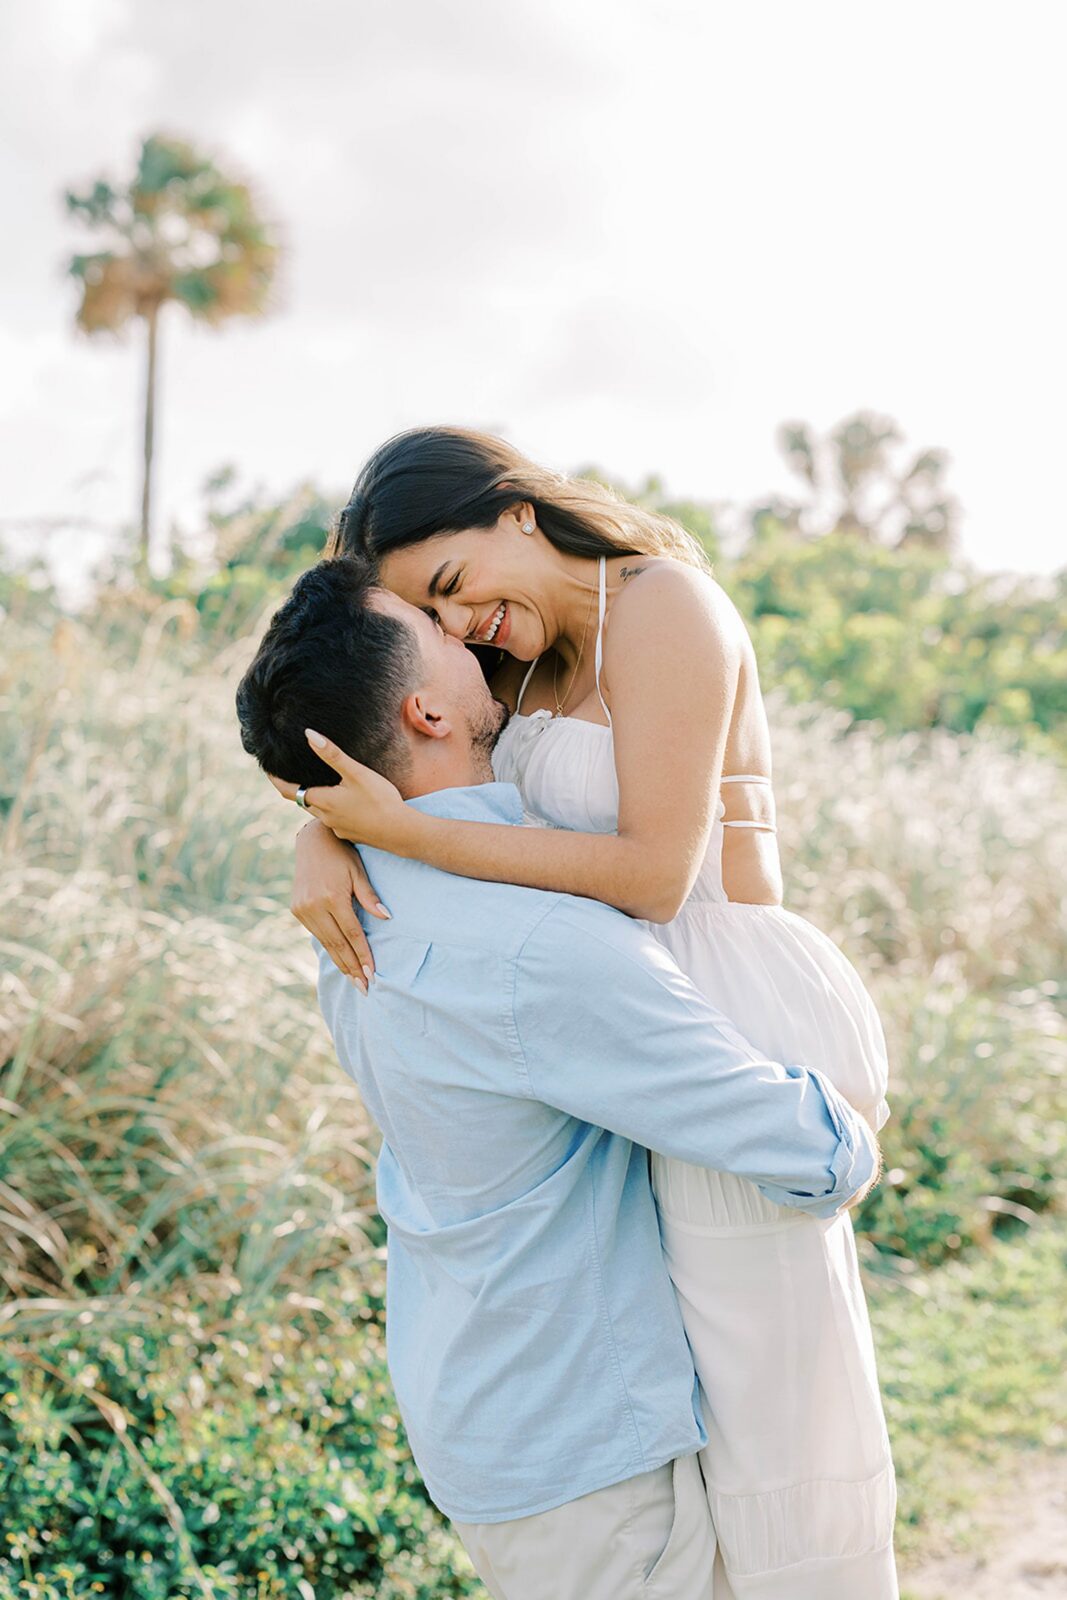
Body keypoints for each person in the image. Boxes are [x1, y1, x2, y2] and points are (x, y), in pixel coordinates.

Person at [269, 429, 900, 1600]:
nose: (458, 627)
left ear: (516, 510)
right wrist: (325, 823)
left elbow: (655, 875)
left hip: (717, 1005)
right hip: (604, 1045)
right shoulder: (503, 658)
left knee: (765, 1402)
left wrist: (393, 834)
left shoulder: (665, 606)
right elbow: (395, 725)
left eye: (451, 586)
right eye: (431, 617)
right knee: (672, 1407)